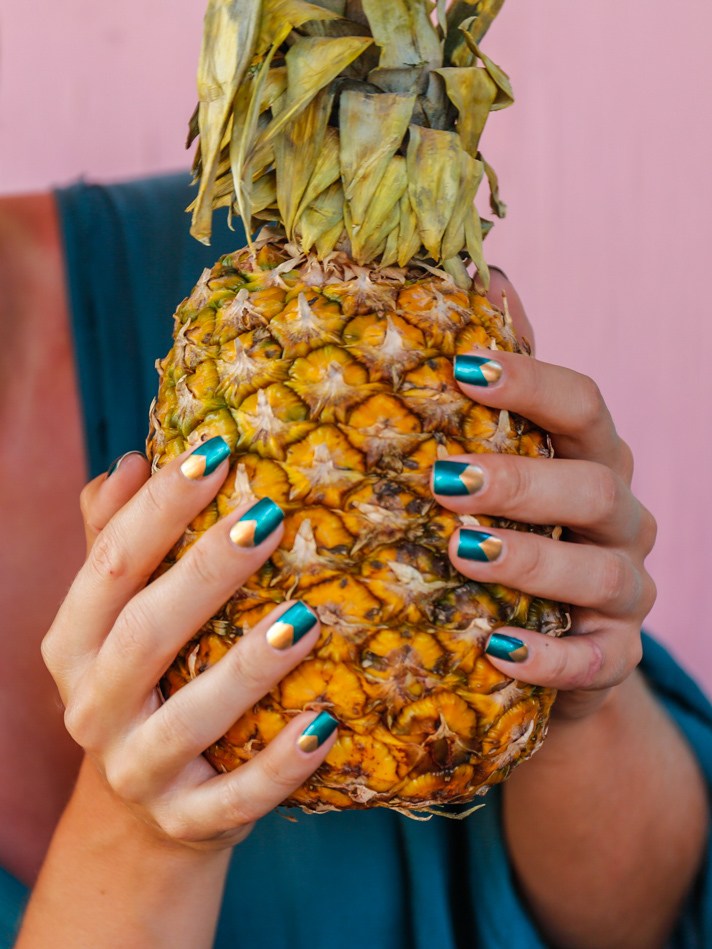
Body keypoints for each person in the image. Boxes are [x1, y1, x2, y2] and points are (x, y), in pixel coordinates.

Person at [1, 174, 710, 949]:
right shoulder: (230, 325)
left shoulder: (281, 244)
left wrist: (576, 691)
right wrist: (142, 836)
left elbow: (645, 922)